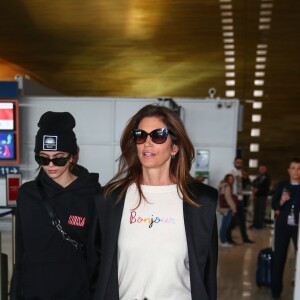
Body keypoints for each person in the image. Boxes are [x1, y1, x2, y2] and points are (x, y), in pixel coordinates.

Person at [91, 104, 218, 300]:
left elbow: (207, 275)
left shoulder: (200, 202)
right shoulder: (110, 199)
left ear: (174, 147)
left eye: (158, 136)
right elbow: (96, 268)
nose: (147, 143)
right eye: (140, 135)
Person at [12, 111, 101, 299]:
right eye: (43, 158)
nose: (51, 165)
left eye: (58, 158)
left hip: (77, 294)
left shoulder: (92, 195)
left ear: (72, 156)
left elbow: (97, 257)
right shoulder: (27, 195)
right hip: (33, 294)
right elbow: (21, 255)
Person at [271, 157, 300, 300]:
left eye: (299, 168)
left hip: (298, 228)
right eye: (293, 168)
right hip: (283, 226)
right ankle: (276, 291)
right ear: (289, 170)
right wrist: (281, 201)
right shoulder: (281, 185)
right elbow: (274, 205)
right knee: (279, 258)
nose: (296, 171)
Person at [227, 157, 254, 244]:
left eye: (241, 163)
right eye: (238, 162)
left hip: (240, 198)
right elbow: (229, 186)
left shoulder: (240, 172)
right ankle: (228, 238)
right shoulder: (231, 172)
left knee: (242, 220)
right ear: (234, 162)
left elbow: (240, 187)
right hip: (234, 199)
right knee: (231, 220)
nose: (239, 164)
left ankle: (245, 238)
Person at [218, 174, 237, 248]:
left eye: (232, 179)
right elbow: (228, 198)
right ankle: (223, 241)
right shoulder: (227, 186)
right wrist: (234, 208)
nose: (231, 181)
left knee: (224, 225)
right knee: (225, 226)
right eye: (230, 179)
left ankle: (223, 240)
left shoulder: (222, 186)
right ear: (226, 179)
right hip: (227, 208)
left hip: (223, 208)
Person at [249, 163, 271, 229]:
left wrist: (257, 189)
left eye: (263, 169)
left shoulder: (267, 177)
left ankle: (260, 225)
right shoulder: (259, 176)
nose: (261, 170)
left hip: (262, 196)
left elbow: (266, 188)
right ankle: (255, 224)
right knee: (256, 210)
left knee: (261, 211)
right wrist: (254, 187)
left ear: (266, 169)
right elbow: (253, 182)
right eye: (260, 169)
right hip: (257, 196)